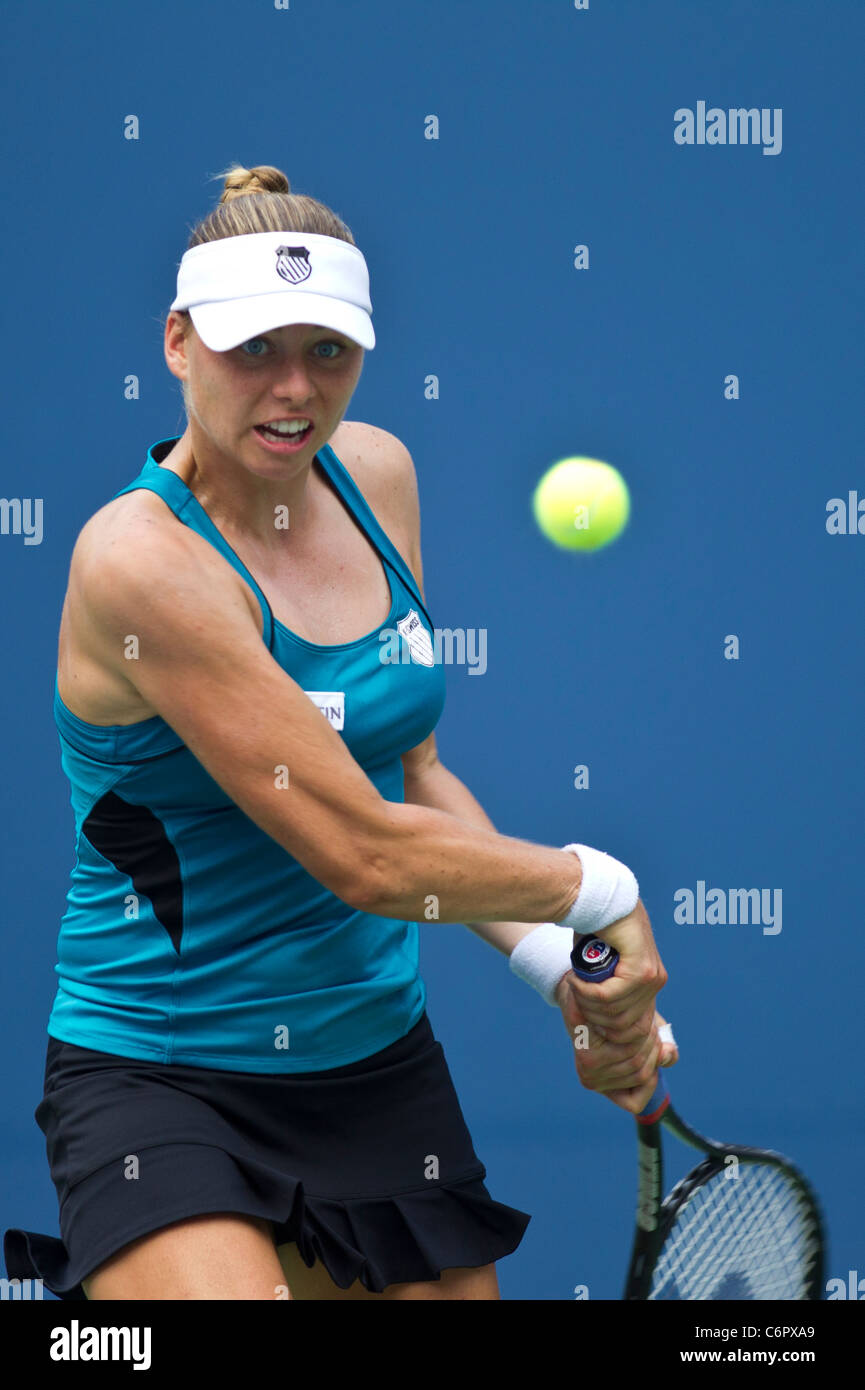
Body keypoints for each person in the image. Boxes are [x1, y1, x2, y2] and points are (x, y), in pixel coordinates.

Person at [3, 163, 676, 1302]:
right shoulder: (140, 565)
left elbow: (409, 774)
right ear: (176, 343)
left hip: (374, 1065)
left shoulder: (376, 475)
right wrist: (596, 891)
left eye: (327, 350)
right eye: (252, 347)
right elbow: (365, 853)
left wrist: (554, 964)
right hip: (166, 1077)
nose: (294, 388)